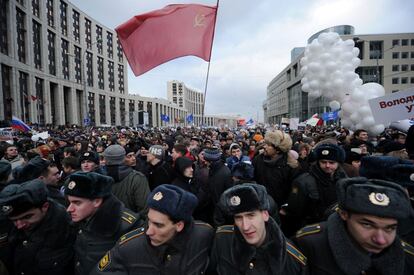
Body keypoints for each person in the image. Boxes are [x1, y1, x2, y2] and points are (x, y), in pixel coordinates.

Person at [294, 177, 414, 274]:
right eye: (367, 225)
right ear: (344, 214)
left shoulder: (408, 257)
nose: (380, 240)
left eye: (390, 228)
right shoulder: (309, 245)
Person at [90, 184, 214, 274]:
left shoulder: (203, 235)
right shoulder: (128, 247)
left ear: (179, 225)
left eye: (158, 225)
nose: (149, 231)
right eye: (149, 221)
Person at [210, 183, 307, 274]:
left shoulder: (292, 260)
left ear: (265, 215)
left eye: (251, 215)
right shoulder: (222, 241)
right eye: (238, 218)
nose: (245, 227)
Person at [64, 172, 142, 275]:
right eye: (69, 202)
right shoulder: (80, 218)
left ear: (97, 201)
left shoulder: (127, 226)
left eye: (77, 203)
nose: (69, 209)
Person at [0, 179, 75, 275]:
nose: (19, 226)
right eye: (14, 220)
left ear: (45, 207)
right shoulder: (8, 225)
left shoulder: (67, 231)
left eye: (27, 217)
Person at [284, 144, 347, 233]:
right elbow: (295, 210)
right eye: (323, 162)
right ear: (318, 162)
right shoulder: (303, 181)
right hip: (312, 229)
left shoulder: (344, 180)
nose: (327, 165)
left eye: (331, 162)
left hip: (337, 227)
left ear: (338, 163)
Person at [253, 130, 302, 207]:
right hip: (261, 204)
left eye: (269, 145)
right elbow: (253, 180)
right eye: (265, 143)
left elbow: (295, 190)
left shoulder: (291, 166)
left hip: (280, 206)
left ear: (278, 149)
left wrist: (286, 207)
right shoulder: (258, 160)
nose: (264, 146)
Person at [103, 144, 150, 214]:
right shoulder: (138, 178)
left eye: (134, 155)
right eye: (129, 156)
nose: (134, 158)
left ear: (106, 160)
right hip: (131, 222)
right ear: (123, 158)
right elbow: (145, 209)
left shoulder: (98, 177)